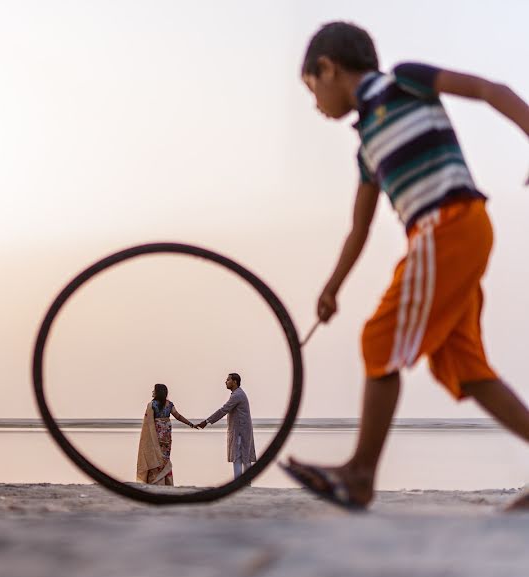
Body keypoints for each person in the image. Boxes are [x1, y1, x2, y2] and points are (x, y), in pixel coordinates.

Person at [283, 22, 529, 510]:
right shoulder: (366, 150)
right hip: (445, 235)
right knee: (464, 366)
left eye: (313, 89)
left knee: (380, 339)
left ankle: (359, 474)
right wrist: (332, 287)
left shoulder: (404, 81)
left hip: (449, 223)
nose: (316, 105)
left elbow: (488, 90)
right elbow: (360, 228)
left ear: (328, 68)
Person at [196, 373, 256, 480]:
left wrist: (207, 421)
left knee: (239, 458)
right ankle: (245, 483)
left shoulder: (237, 395)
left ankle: (240, 483)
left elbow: (223, 410)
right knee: (244, 458)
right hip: (241, 431)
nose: (226, 382)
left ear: (235, 382)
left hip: (240, 432)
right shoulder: (237, 394)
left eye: (228, 380)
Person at [137, 383, 195, 485]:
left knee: (155, 454)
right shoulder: (169, 404)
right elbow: (178, 416)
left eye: (154, 390)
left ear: (157, 392)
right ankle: (165, 481)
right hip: (166, 433)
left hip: (155, 433)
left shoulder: (151, 404)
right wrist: (190, 424)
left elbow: (148, 422)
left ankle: (155, 481)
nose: (152, 392)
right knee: (165, 456)